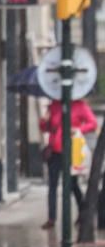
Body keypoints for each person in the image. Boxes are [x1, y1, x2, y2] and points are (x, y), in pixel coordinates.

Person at [39, 98, 98, 229]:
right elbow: (44, 128)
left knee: (72, 184)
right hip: (54, 151)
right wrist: (44, 119)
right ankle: (51, 218)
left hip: (71, 150)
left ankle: (83, 212)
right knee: (52, 185)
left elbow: (93, 123)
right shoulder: (54, 105)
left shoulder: (80, 105)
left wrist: (78, 129)